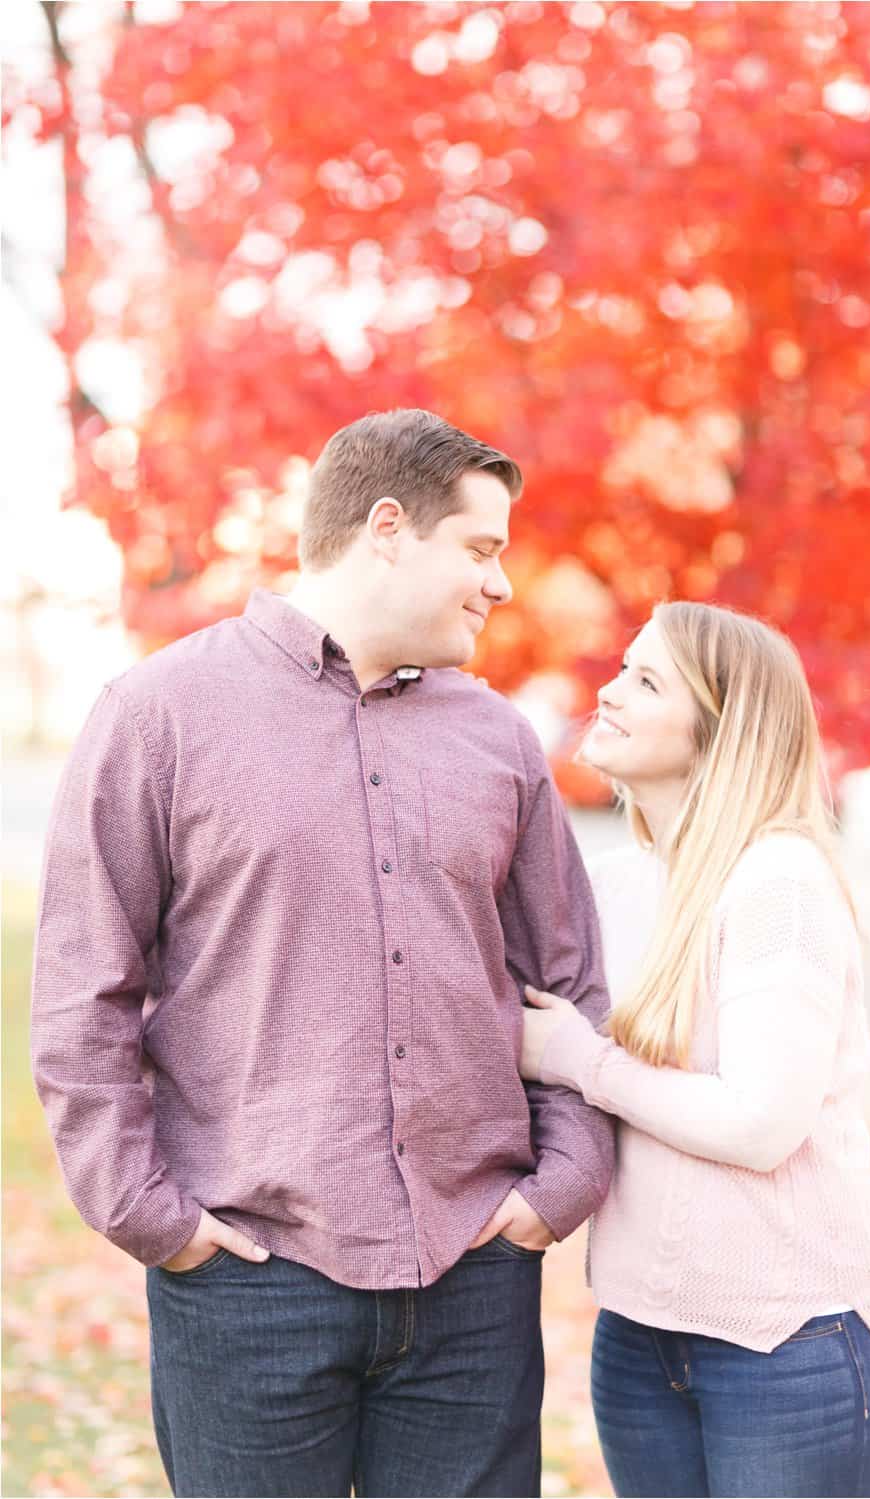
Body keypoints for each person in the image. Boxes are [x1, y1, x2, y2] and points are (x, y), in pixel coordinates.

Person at [31, 408, 614, 1499]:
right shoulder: (158, 715)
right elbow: (82, 1000)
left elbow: (568, 978)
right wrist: (154, 1217)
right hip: (248, 1277)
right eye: (480, 549)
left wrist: (565, 1179)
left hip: (472, 1275)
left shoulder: (498, 739)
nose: (499, 584)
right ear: (387, 527)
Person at [519, 600, 870, 1499]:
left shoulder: (777, 880)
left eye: (647, 679)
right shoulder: (613, 887)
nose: (610, 692)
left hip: (797, 1347)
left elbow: (760, 1122)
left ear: (721, 726)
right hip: (639, 1339)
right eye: (623, 667)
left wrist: (576, 1057)